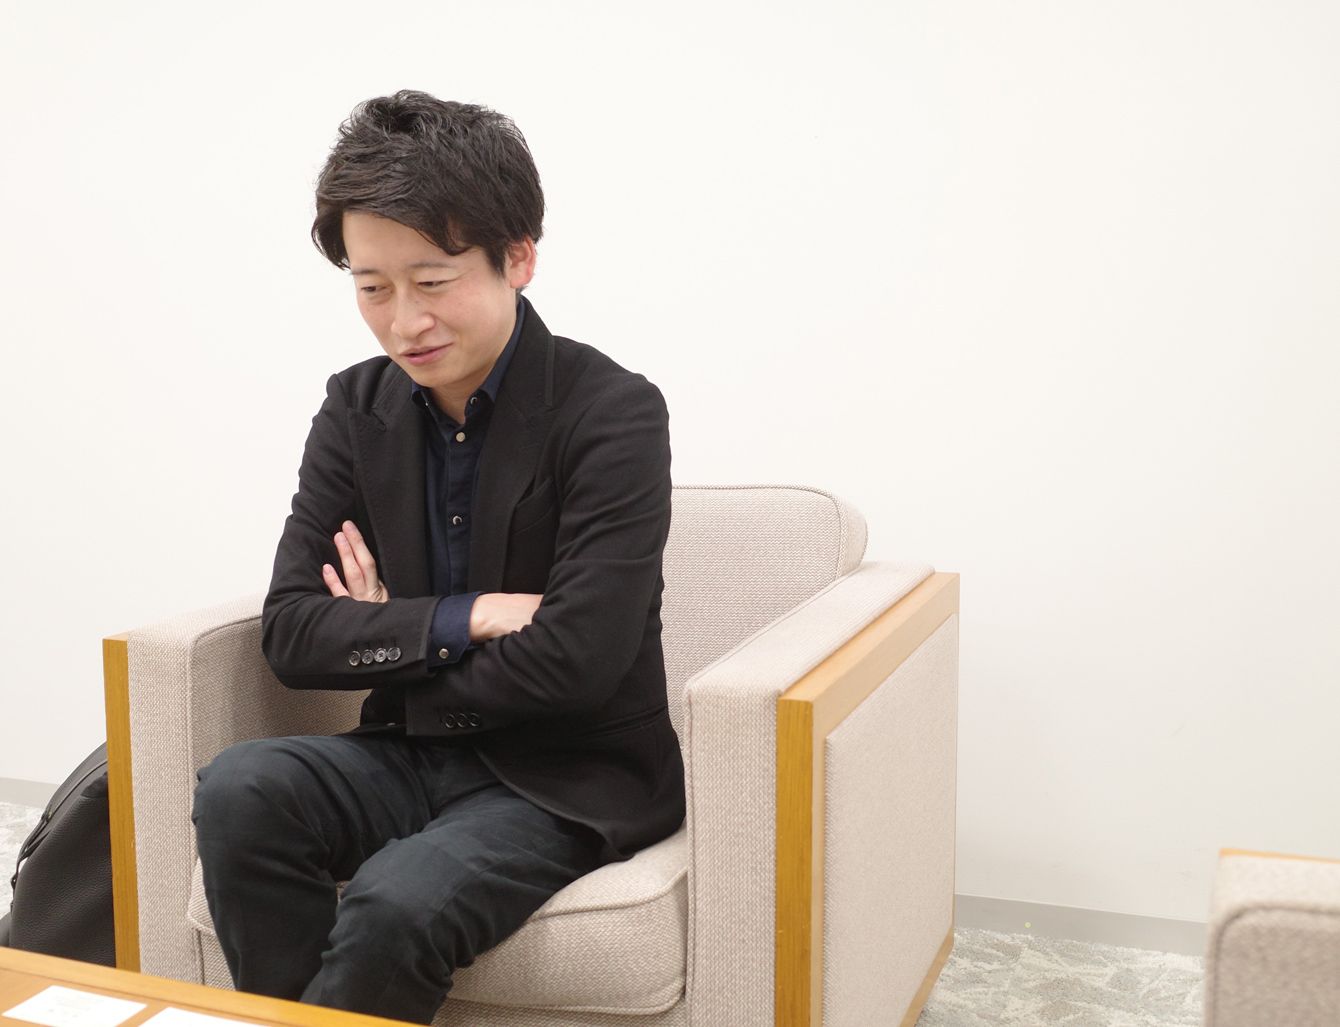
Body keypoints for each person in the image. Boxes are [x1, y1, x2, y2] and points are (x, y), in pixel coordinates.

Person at [190, 90, 684, 1024]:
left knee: (397, 899)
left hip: (566, 777)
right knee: (241, 787)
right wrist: (471, 616)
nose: (403, 321)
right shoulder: (356, 408)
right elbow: (293, 633)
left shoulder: (612, 412)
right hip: (406, 756)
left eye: (432, 280)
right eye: (372, 287)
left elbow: (581, 658)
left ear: (518, 258)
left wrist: (391, 636)